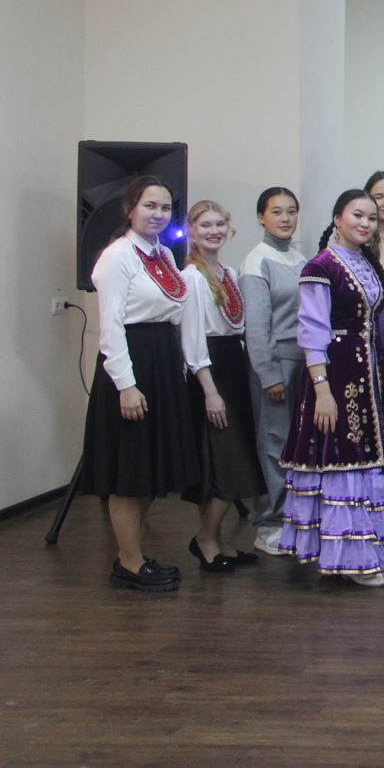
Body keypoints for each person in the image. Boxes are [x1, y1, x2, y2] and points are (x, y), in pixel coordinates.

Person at [281, 189, 384, 586]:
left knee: (368, 456)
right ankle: (351, 558)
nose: (365, 223)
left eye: (371, 217)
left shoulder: (365, 261)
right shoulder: (321, 266)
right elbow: (312, 330)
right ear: (337, 218)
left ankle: (370, 553)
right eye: (357, 215)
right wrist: (322, 390)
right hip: (335, 374)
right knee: (344, 457)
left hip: (368, 374)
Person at [83, 176, 202, 591]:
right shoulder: (117, 256)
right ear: (130, 208)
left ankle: (133, 554)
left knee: (148, 468)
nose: (158, 214)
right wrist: (126, 385)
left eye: (166, 208)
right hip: (132, 365)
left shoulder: (163, 254)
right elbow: (111, 327)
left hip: (161, 363)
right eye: (150, 206)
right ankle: (129, 563)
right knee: (129, 469)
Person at [181, 200, 268, 571]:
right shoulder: (192, 277)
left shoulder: (228, 272)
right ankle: (204, 538)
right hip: (211, 371)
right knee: (226, 462)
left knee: (228, 462)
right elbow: (192, 339)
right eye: (205, 225)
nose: (213, 231)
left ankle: (215, 541)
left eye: (219, 224)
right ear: (191, 231)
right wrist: (210, 391)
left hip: (233, 365)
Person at [240, 186, 306, 557]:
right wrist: (268, 374)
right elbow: (256, 327)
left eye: (291, 211)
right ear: (261, 217)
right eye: (276, 211)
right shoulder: (257, 261)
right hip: (276, 364)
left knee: (294, 445)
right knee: (274, 444)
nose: (285, 218)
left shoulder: (299, 258)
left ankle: (293, 519)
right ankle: (269, 524)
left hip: (302, 363)